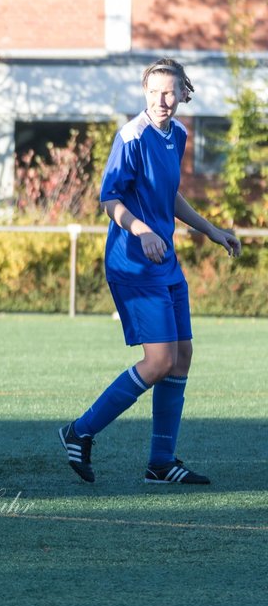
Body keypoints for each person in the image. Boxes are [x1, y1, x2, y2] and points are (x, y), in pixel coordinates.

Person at [58, 59, 240, 485]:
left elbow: (169, 195)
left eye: (170, 92)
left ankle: (161, 463)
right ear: (145, 93)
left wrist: (212, 231)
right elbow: (110, 200)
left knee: (182, 356)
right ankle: (79, 431)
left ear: (182, 93)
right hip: (133, 263)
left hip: (166, 263)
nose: (162, 100)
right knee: (158, 360)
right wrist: (140, 230)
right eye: (155, 92)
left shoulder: (177, 135)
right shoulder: (131, 136)